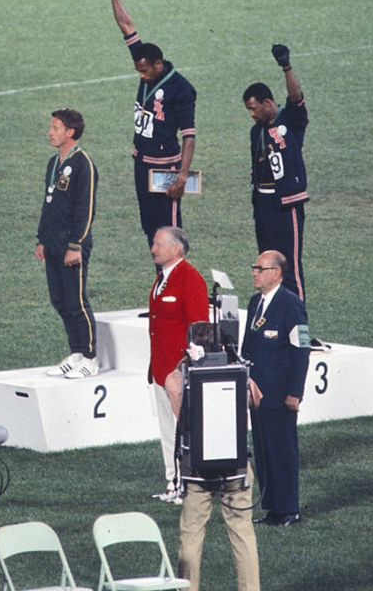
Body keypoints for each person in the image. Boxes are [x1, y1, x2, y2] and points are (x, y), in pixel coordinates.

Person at [99, 0, 197, 248]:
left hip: (166, 168)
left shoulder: (181, 89)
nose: (141, 76)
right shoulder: (145, 61)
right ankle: (161, 282)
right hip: (141, 164)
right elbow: (127, 26)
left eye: (144, 72)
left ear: (158, 64)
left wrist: (181, 176)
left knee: (170, 232)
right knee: (150, 230)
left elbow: (189, 136)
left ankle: (175, 286)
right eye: (138, 71)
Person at [168, 325, 261, 591]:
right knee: (242, 533)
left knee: (191, 536)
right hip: (235, 469)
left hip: (196, 471)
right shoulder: (237, 374)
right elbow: (257, 399)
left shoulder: (177, 379)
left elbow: (180, 413)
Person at [242, 250, 310, 527]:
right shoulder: (256, 301)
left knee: (282, 451)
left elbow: (301, 350)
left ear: (277, 273)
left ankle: (289, 509)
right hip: (257, 394)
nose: (255, 272)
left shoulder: (290, 304)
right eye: (254, 267)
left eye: (260, 268)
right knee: (264, 451)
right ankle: (272, 507)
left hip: (280, 393)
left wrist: (295, 392)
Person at [36, 109, 99, 379]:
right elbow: (48, 203)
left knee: (76, 301)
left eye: (55, 127)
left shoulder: (84, 164)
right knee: (59, 300)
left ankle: (90, 357)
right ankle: (75, 353)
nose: (50, 132)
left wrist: (76, 245)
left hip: (73, 244)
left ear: (70, 132)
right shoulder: (54, 163)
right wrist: (41, 239)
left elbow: (86, 208)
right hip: (52, 243)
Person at [242, 43, 308, 302]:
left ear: (268, 102)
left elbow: (296, 98)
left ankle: (298, 325)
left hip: (285, 202)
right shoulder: (255, 130)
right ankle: (275, 317)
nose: (251, 114)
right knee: (267, 265)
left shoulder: (290, 120)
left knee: (289, 266)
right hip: (263, 203)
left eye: (254, 108)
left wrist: (286, 67)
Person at [148, 227, 208, 502]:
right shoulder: (162, 279)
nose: (153, 249)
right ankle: (173, 482)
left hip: (178, 372)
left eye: (158, 244)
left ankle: (189, 484)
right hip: (160, 370)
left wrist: (185, 369)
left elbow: (198, 329)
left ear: (176, 249)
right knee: (167, 430)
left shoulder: (190, 279)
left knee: (184, 429)